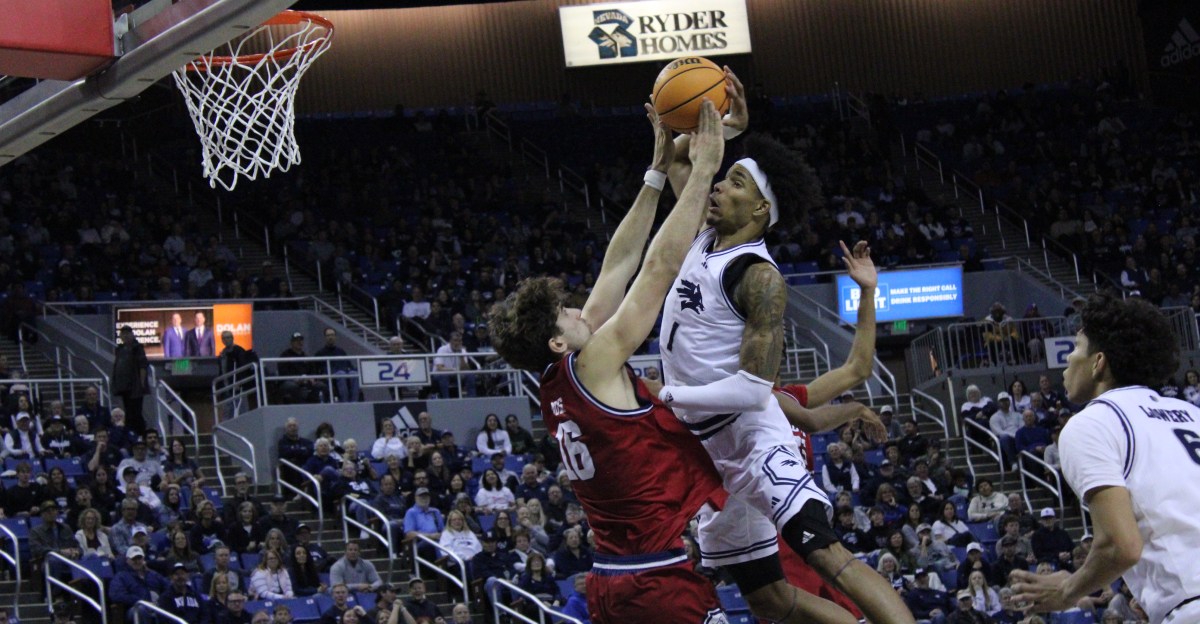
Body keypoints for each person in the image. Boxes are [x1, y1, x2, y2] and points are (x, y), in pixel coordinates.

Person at [489, 97, 734, 624]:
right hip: (654, 580)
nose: (579, 309)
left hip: (611, 579)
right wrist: (703, 171)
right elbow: (657, 268)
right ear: (558, 341)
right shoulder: (594, 363)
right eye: (566, 313)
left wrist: (655, 172)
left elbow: (618, 263)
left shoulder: (559, 380)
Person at [1011, 297, 1200, 624]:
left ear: (1098, 362)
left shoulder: (1092, 423)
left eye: (1075, 347)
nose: (1068, 359)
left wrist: (1067, 590)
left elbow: (1121, 546)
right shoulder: (1191, 413)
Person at [111, 325, 149, 434]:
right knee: (128, 413)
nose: (126, 336)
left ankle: (140, 434)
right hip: (124, 387)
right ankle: (130, 434)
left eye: (128, 333)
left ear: (132, 335)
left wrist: (141, 385)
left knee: (136, 413)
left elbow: (143, 366)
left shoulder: (137, 348)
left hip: (135, 387)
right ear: (121, 336)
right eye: (123, 334)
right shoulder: (120, 349)